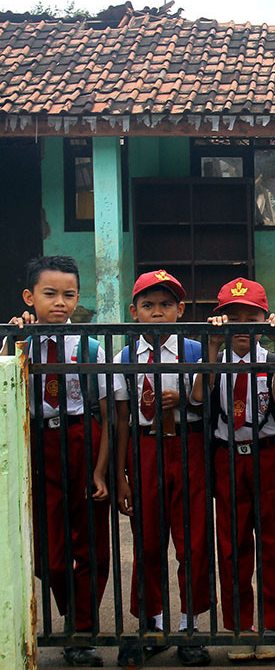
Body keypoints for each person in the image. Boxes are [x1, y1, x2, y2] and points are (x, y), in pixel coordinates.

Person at [4, 255, 110, 668]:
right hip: (36, 440)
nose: (60, 303)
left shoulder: (90, 346)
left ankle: (81, 631)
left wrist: (101, 468)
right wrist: (11, 341)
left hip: (82, 437)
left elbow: (105, 409)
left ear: (78, 298)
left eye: (69, 295)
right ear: (30, 297)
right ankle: (71, 613)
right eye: (50, 294)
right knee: (46, 550)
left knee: (91, 542)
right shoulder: (17, 342)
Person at [112, 270, 210, 667]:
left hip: (188, 447)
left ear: (180, 310)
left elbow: (207, 404)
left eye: (166, 305)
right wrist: (120, 474)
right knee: (147, 540)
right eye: (148, 306)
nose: (157, 313)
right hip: (145, 447)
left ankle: (190, 626)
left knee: (193, 540)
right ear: (134, 312)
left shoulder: (194, 352)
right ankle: (149, 623)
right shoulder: (125, 356)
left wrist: (184, 400)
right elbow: (120, 418)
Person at [192, 278, 275, 663]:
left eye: (252, 318)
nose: (243, 328)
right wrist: (213, 349)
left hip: (267, 455)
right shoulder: (213, 364)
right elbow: (200, 396)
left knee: (272, 541)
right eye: (233, 319)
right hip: (228, 456)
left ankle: (271, 624)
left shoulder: (270, 360)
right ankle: (238, 625)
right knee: (232, 544)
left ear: (264, 319)